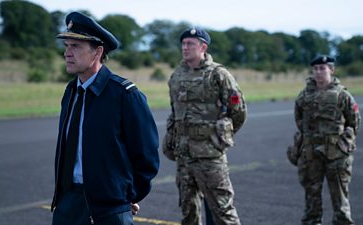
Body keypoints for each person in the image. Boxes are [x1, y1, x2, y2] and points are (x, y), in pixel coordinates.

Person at [51, 12, 159, 225]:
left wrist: (124, 197)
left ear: (97, 52)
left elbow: (147, 157)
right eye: (66, 46)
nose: (67, 53)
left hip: (109, 210)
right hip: (68, 205)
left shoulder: (125, 95)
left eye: (76, 46)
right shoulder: (71, 92)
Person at [163, 27, 247, 225]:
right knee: (188, 211)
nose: (185, 47)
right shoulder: (177, 76)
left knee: (222, 209)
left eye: (190, 44)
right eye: (183, 44)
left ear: (203, 47)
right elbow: (175, 114)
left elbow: (239, 111)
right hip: (184, 156)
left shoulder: (218, 74)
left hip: (210, 155)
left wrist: (220, 136)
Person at [293, 55, 361, 225]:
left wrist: (344, 143)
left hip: (336, 154)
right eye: (315, 69)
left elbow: (354, 122)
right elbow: (299, 121)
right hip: (311, 154)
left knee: (339, 195)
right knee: (311, 195)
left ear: (331, 70)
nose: (318, 72)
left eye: (322, 68)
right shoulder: (304, 96)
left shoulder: (342, 95)